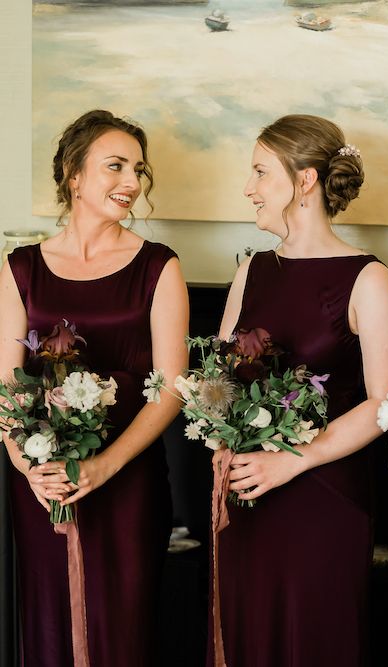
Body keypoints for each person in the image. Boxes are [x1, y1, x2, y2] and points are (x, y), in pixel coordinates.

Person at [210, 114, 388, 667]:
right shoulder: (251, 270)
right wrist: (220, 438)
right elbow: (218, 380)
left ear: (305, 181)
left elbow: (386, 403)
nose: (248, 188)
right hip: (247, 492)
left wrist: (292, 460)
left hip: (324, 499)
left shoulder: (368, 279)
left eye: (260, 173)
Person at [0, 109, 189, 666]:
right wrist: (27, 465)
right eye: (115, 166)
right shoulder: (20, 269)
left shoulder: (159, 266)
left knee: (123, 631)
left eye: (137, 168)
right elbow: (7, 387)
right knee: (49, 625)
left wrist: (104, 466)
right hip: (42, 485)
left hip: (127, 482)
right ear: (73, 175)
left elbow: (172, 387)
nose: (131, 181)